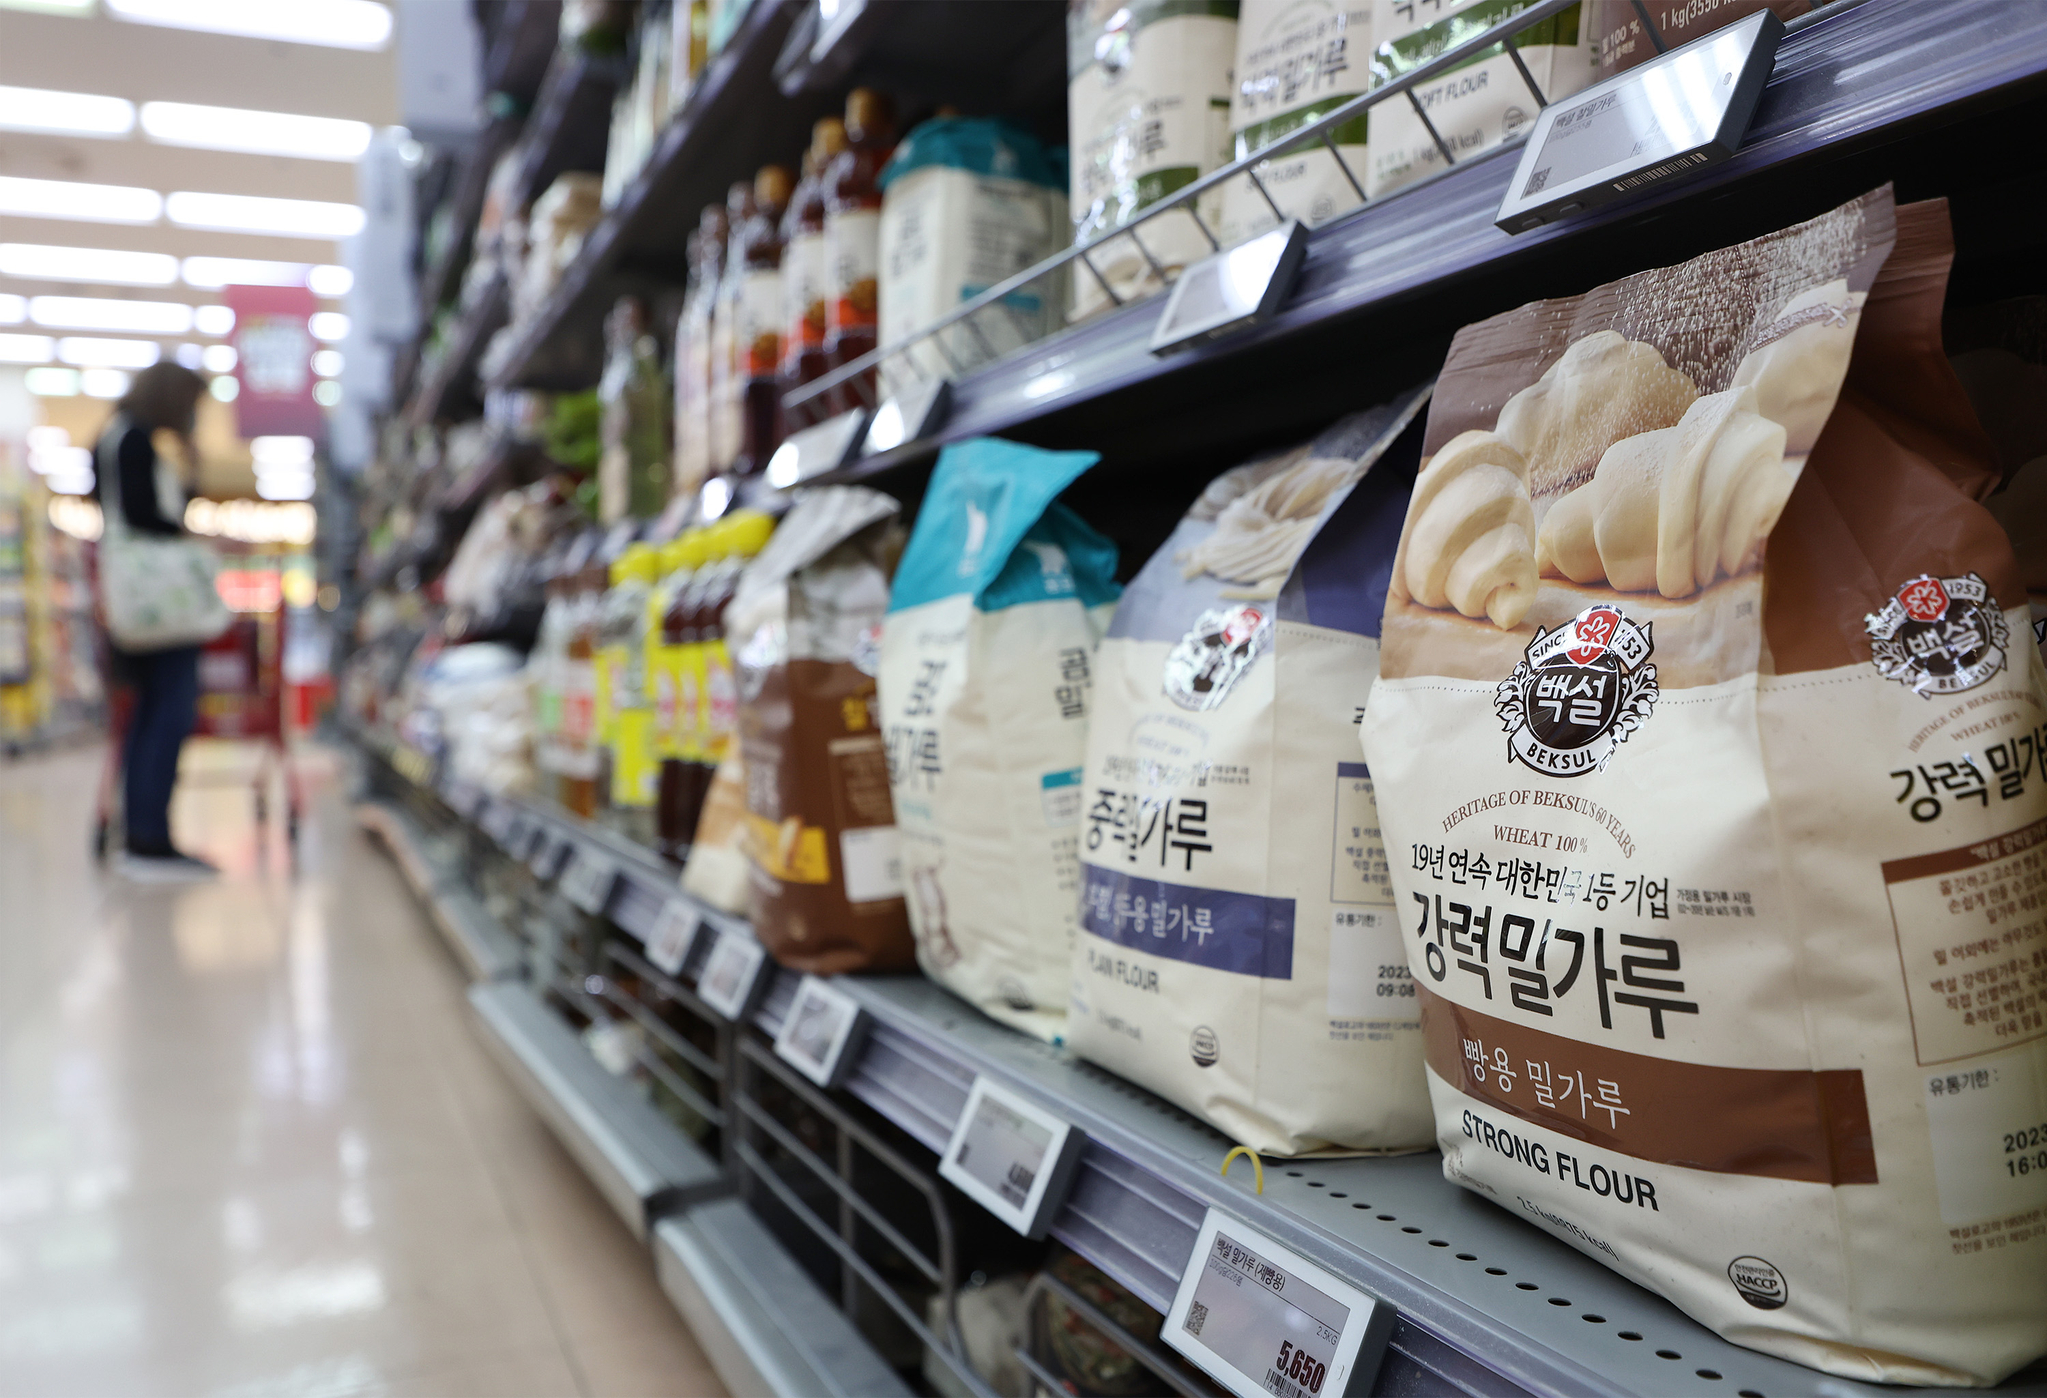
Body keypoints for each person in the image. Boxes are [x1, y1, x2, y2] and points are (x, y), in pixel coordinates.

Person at [93, 363, 220, 881]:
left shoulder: (115, 436)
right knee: (170, 710)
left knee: (147, 712)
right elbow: (147, 516)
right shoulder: (134, 440)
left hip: (138, 602)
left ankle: (143, 833)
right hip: (161, 606)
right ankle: (150, 839)